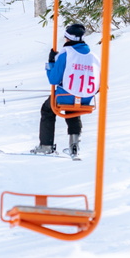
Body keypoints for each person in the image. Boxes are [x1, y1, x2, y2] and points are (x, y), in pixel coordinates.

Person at [33, 23, 98, 157]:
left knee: (47, 109)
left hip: (65, 95)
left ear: (68, 38)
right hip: (86, 98)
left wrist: (51, 62)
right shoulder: (93, 56)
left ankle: (46, 145)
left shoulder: (66, 54)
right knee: (73, 110)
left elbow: (53, 80)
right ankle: (74, 146)